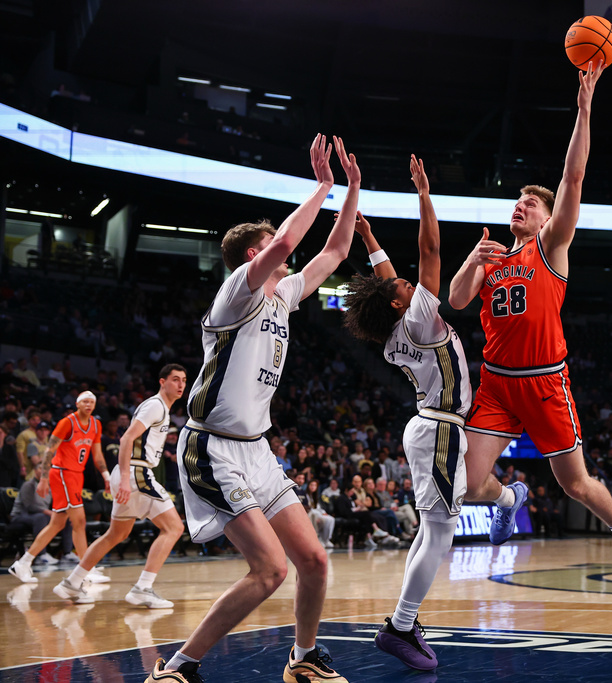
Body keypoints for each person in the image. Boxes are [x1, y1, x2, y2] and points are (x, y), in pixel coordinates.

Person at [144, 134, 360, 683]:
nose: (284, 253)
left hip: (255, 449)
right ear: (252, 256)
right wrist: (324, 186)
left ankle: (303, 659)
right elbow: (287, 244)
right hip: (211, 446)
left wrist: (352, 191)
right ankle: (178, 667)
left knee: (312, 560)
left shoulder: (282, 296)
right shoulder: (237, 291)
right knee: (270, 571)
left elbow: (333, 252)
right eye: (270, 248)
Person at [447, 62, 612, 588]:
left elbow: (573, 177)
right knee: (467, 484)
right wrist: (472, 260)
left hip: (543, 381)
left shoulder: (550, 247)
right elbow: (455, 300)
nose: (521, 206)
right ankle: (509, 496)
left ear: (546, 217)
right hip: (496, 382)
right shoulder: (491, 258)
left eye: (531, 203)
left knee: (576, 484)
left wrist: (583, 109)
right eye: (518, 201)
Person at [342, 154, 470, 670]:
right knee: (440, 534)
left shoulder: (400, 323)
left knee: (429, 532)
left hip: (430, 426)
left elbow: (387, 278)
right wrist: (423, 193)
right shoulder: (419, 315)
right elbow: (430, 248)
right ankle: (400, 624)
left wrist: (370, 238)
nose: (409, 282)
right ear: (402, 303)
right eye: (404, 287)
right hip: (439, 429)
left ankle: (403, 621)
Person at [53, 364, 188, 608]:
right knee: (174, 528)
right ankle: (143, 588)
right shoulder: (155, 405)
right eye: (175, 379)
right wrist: (126, 478)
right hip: (136, 472)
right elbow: (126, 438)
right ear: (162, 382)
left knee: (116, 534)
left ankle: (72, 583)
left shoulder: (161, 409)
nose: (180, 385)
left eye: (183, 381)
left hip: (131, 472)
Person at [8, 391, 110, 584]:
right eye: (85, 402)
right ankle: (86, 569)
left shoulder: (96, 425)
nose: (88, 405)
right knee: (79, 521)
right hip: (62, 472)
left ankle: (23, 563)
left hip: (76, 475)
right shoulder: (67, 423)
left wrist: (106, 475)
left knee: (57, 524)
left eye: (92, 402)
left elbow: (97, 455)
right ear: (77, 404)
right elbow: (49, 451)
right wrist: (44, 478)